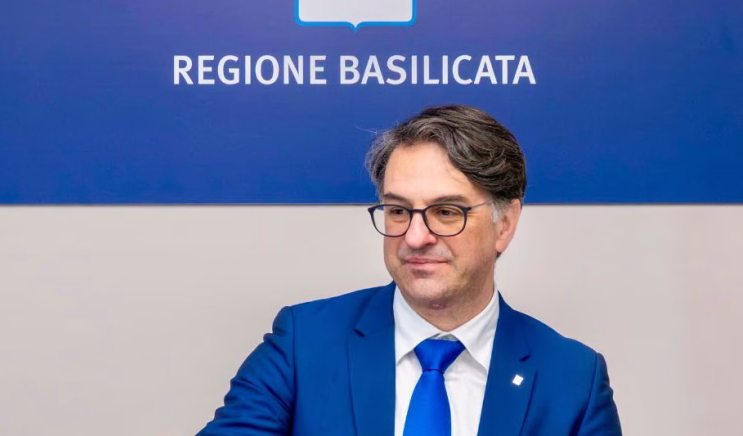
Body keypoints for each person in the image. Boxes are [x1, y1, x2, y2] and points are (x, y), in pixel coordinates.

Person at [196, 105, 622, 436]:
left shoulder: (572, 379)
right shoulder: (303, 343)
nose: (416, 237)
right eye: (398, 210)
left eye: (446, 212)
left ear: (505, 224)